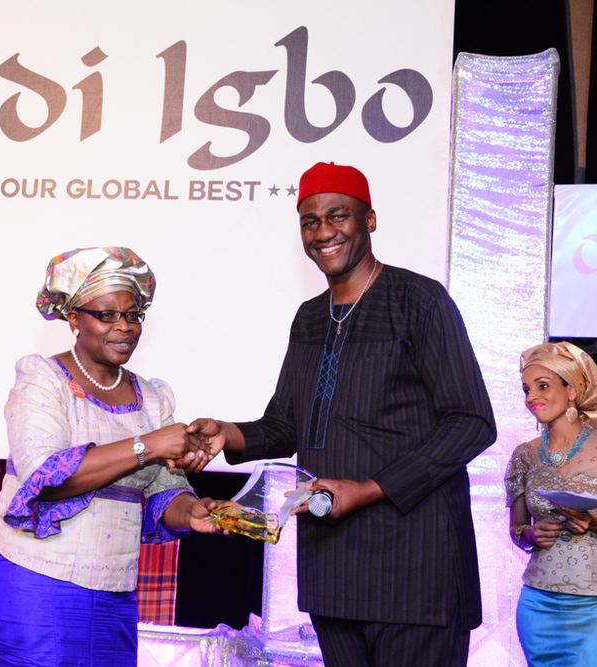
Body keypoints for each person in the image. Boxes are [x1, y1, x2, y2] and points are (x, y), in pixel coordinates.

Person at [185, 162, 496, 667]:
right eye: (310, 221)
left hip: (417, 572)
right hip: (334, 573)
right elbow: (287, 424)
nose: (323, 232)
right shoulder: (310, 317)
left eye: (338, 216)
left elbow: (472, 421)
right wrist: (228, 434)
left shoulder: (419, 301)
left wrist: (370, 487)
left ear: (369, 220)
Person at [0, 247, 218, 666]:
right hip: (34, 579)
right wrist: (147, 446)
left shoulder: (152, 396)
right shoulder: (42, 380)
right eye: (106, 315)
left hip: (112, 588)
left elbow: (164, 488)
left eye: (133, 315)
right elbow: (46, 478)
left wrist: (194, 511)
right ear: (74, 319)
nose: (124, 326)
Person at [505, 341, 597, 666]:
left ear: (571, 390)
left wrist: (594, 522)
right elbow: (516, 529)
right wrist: (529, 536)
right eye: (527, 389)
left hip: (592, 605)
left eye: (542, 386)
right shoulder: (525, 455)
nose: (532, 397)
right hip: (538, 603)